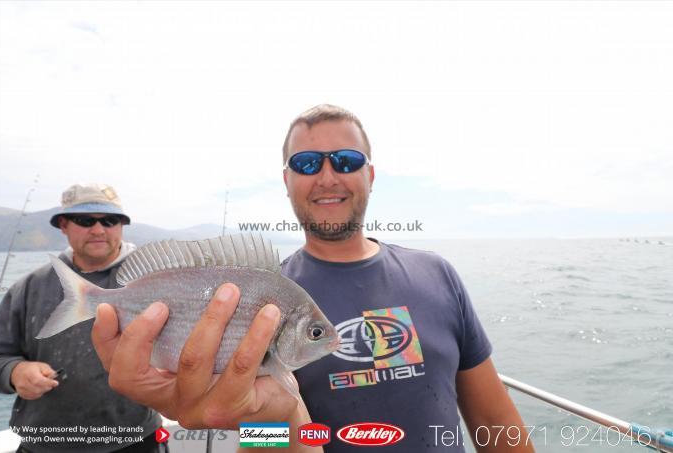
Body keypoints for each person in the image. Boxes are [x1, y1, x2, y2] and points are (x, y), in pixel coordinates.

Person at [93, 106, 535, 452]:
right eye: (306, 163)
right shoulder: (260, 297)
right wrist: (265, 422)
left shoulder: (438, 274)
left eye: (346, 160)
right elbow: (255, 441)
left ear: (371, 174)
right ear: (287, 180)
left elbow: (495, 425)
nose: (327, 176)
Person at [0, 183, 165, 453]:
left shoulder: (159, 282)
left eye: (110, 220)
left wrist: (255, 441)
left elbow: (255, 410)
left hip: (135, 440)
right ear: (63, 225)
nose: (98, 230)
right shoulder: (28, 288)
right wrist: (15, 372)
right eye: (85, 221)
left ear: (122, 226)